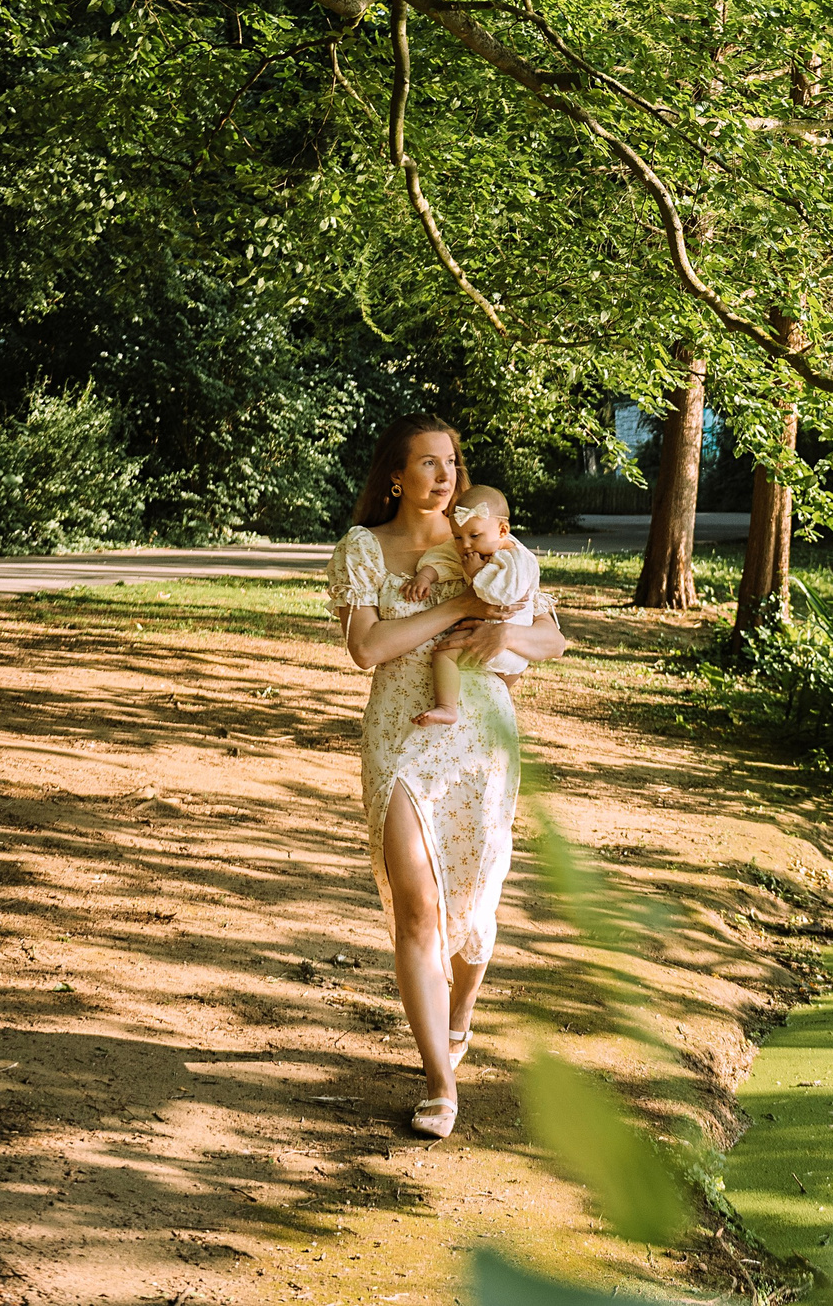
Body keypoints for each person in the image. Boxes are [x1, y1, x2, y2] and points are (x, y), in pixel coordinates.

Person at [324, 416, 569, 1138]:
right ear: (394, 476)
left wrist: (506, 632)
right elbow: (368, 648)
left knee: (474, 902)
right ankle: (439, 1077)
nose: (445, 475)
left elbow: (551, 634)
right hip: (401, 735)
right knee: (418, 907)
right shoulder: (363, 549)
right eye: (427, 463)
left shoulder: (488, 539)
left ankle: (460, 1011)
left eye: (453, 461)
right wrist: (462, 604)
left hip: (479, 735)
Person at [401, 485, 549, 729]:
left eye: (474, 536)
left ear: (502, 530)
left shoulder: (519, 560)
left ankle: (448, 707)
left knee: (445, 651)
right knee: (447, 654)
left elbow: (504, 595)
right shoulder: (471, 548)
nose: (465, 545)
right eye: (458, 537)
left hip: (510, 643)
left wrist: (478, 573)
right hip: (483, 634)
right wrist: (425, 577)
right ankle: (454, 708)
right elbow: (442, 558)